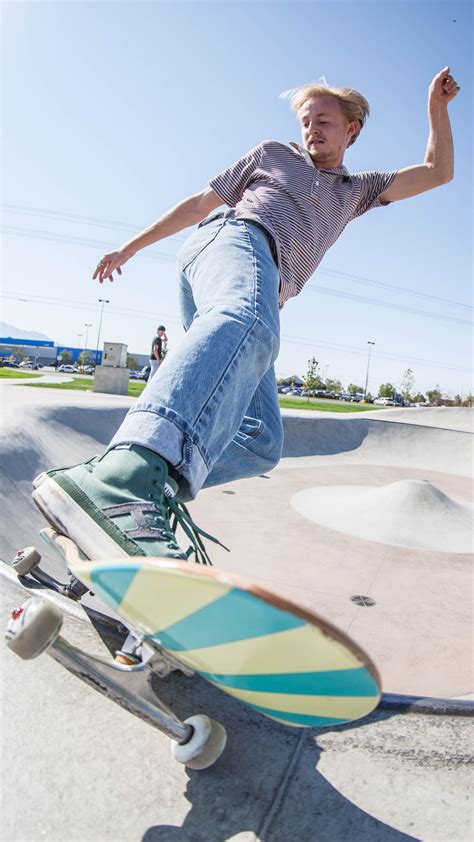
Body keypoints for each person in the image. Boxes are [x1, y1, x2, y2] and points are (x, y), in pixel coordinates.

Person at [33, 68, 460, 565]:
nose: (310, 130)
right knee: (251, 320)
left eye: (322, 120)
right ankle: (122, 479)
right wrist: (129, 248)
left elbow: (437, 172)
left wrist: (436, 108)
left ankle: (144, 484)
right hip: (231, 242)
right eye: (305, 121)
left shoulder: (357, 191)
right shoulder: (273, 154)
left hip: (259, 286)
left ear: (352, 129)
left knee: (260, 440)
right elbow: (199, 203)